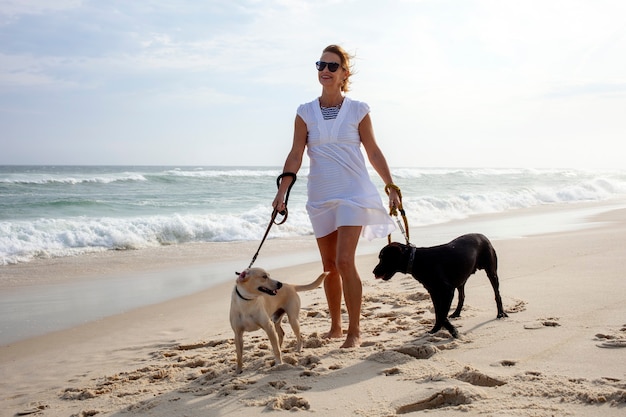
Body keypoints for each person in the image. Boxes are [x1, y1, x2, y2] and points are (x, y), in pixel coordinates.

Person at [273, 44, 401, 348]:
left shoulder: (358, 110)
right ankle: (336, 327)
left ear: (344, 73)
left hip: (353, 193)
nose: (325, 71)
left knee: (345, 261)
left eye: (332, 66)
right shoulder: (305, 112)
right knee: (329, 266)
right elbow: (295, 154)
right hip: (320, 194)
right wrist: (281, 192)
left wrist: (391, 185)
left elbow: (372, 150)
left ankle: (355, 331)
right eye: (321, 65)